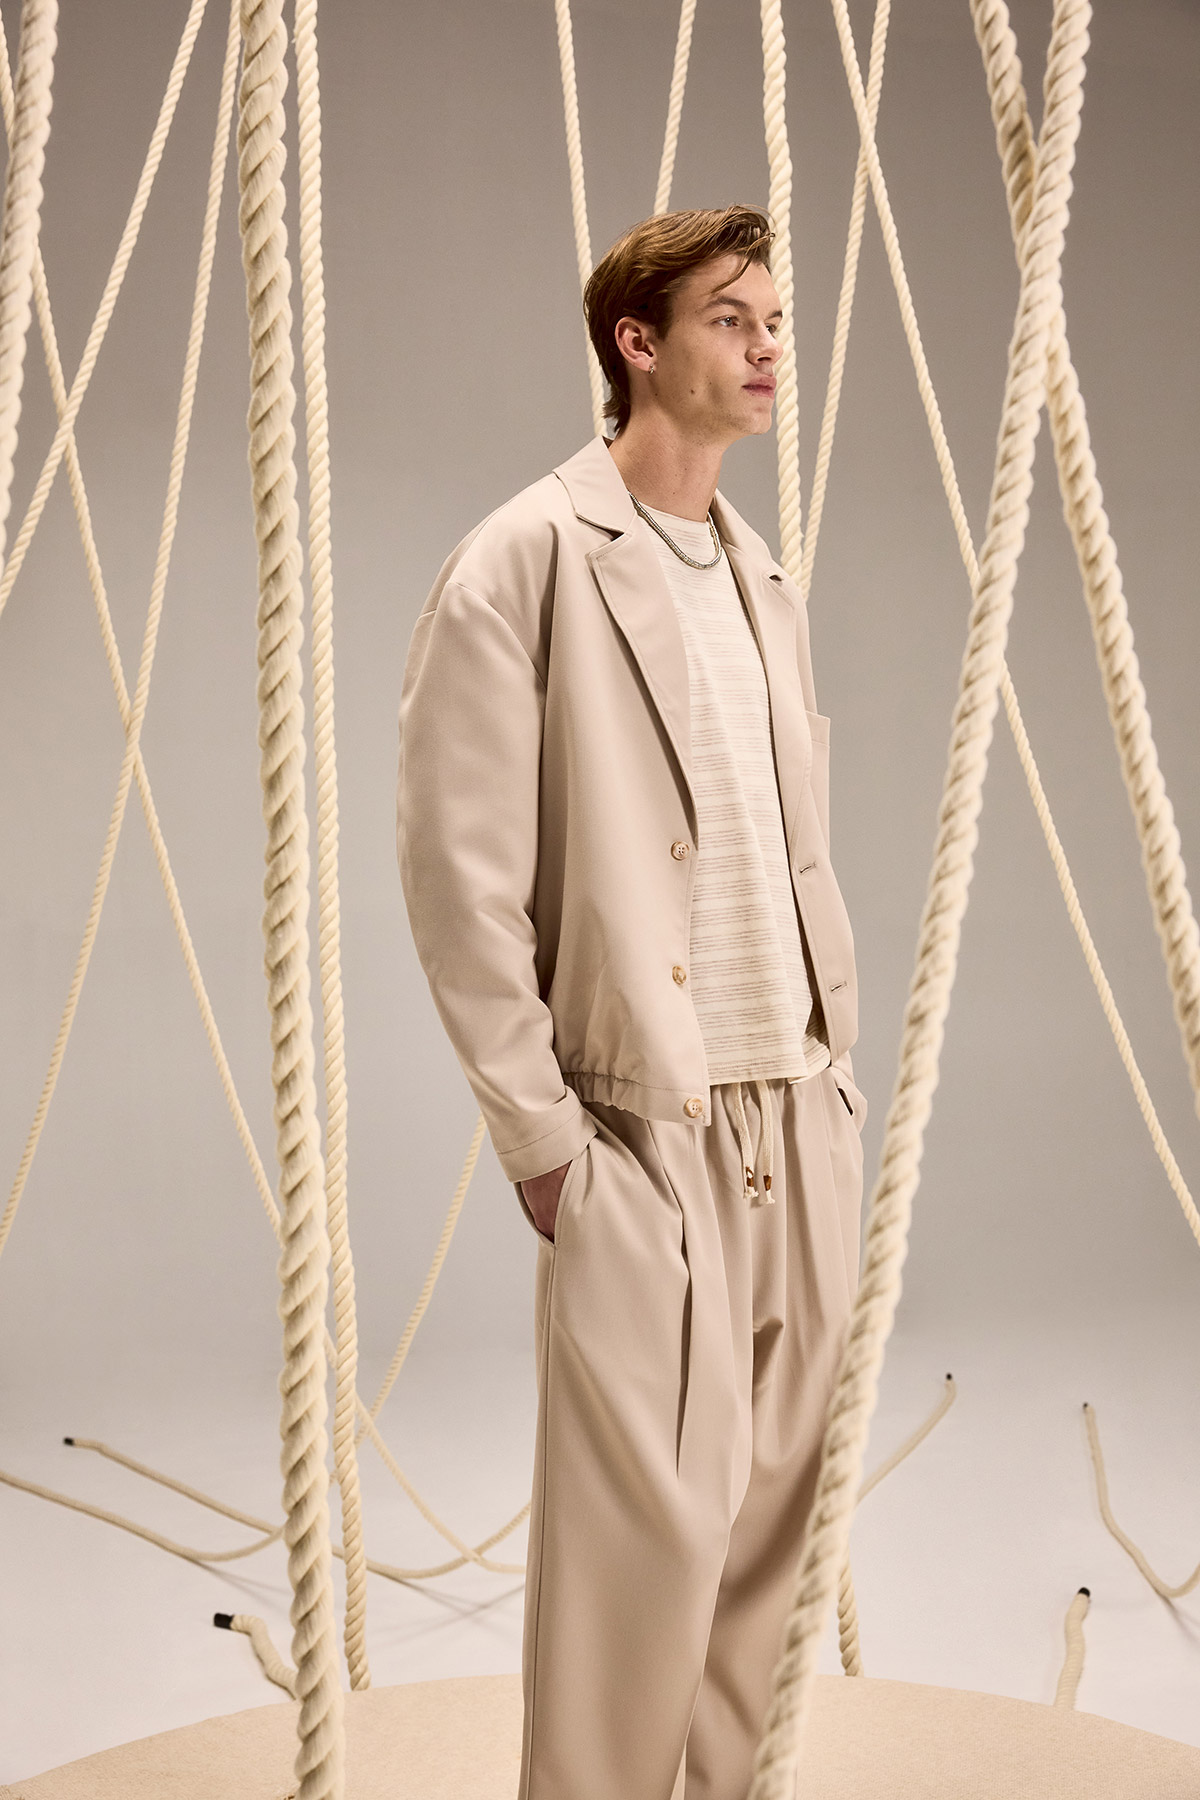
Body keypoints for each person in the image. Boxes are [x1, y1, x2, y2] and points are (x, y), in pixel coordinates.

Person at [396, 204, 867, 1800]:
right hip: (637, 1126)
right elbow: (460, 877)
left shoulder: (761, 576)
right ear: (638, 344)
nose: (769, 348)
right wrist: (541, 1139)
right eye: (734, 320)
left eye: (776, 320)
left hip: (797, 1105)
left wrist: (836, 1080)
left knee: (773, 1535)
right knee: (636, 1552)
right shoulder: (522, 560)